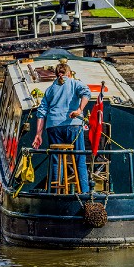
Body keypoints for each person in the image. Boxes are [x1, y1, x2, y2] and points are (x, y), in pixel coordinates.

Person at [32, 62, 91, 191]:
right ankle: (84, 191)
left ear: (55, 75)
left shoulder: (50, 89)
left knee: (56, 159)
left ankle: (55, 192)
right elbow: (87, 93)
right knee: (79, 158)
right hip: (73, 125)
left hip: (53, 127)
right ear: (69, 73)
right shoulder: (75, 83)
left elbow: (41, 112)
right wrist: (79, 110)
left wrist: (38, 134)